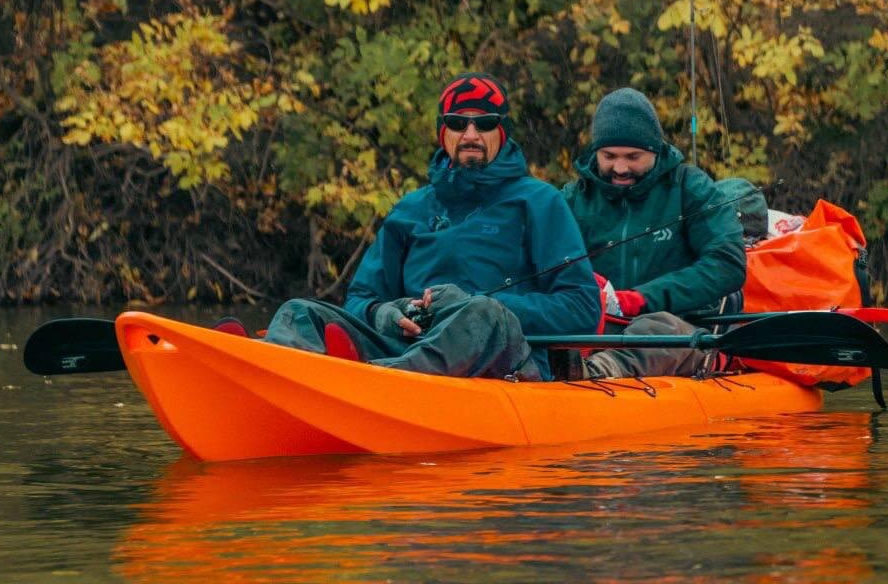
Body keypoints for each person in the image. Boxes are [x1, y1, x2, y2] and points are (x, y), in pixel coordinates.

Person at [259, 72, 601, 381]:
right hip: (407, 346)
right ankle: (272, 376)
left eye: (484, 124)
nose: (470, 135)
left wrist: (471, 303)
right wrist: (382, 313)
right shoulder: (410, 208)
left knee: (481, 313)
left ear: (501, 131)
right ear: (443, 132)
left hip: (503, 362)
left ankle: (370, 382)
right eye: (457, 123)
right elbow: (361, 298)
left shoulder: (540, 201)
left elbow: (582, 308)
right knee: (299, 312)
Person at [562, 87, 748, 379]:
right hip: (598, 326)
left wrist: (641, 299)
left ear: (655, 150)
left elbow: (728, 264)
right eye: (609, 156)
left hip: (678, 331)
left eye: (633, 156)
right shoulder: (573, 198)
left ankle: (596, 372)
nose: (620, 167)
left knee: (656, 328)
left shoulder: (690, 187)